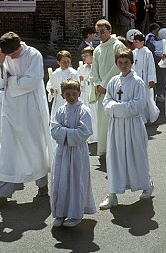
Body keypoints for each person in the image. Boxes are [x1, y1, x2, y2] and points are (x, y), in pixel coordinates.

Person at [0, 32, 52, 207]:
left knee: (34, 145)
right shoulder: (5, 56)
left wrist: (10, 83)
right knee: (8, 149)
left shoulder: (33, 55)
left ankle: (42, 185)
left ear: (19, 45)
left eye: (13, 54)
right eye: (8, 55)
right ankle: (1, 193)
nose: (11, 57)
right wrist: (0, 63)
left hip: (30, 108)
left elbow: (32, 81)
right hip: (10, 109)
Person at [99, 49, 154, 210]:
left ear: (132, 63)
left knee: (136, 155)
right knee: (115, 157)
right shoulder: (113, 81)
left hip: (132, 125)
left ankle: (146, 184)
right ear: (116, 63)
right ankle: (112, 194)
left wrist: (116, 108)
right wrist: (118, 108)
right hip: (116, 126)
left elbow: (137, 105)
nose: (123, 66)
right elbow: (106, 102)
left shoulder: (137, 81)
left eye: (126, 63)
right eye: (120, 63)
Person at [50, 79, 96, 228]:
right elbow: (54, 130)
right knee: (60, 181)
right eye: (67, 94)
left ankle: (76, 214)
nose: (71, 97)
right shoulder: (60, 111)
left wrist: (64, 133)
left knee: (76, 181)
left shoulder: (84, 110)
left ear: (79, 93)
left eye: (74, 94)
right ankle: (60, 213)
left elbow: (85, 132)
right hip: (62, 152)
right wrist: (68, 133)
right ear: (62, 95)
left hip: (77, 152)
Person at [89, 20, 126, 164]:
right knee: (102, 121)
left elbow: (118, 66)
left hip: (115, 89)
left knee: (113, 121)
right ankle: (103, 151)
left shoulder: (118, 45)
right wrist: (98, 84)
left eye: (102, 31)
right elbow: (94, 71)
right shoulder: (98, 49)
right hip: (102, 92)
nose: (100, 35)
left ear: (109, 31)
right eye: (97, 32)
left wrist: (104, 84)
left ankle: (115, 151)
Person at [132, 32, 160, 124]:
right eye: (134, 41)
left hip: (145, 79)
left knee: (147, 98)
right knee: (138, 98)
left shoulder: (147, 52)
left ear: (142, 42)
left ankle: (152, 116)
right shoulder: (133, 53)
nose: (135, 43)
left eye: (136, 41)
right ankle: (141, 118)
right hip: (136, 78)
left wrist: (151, 80)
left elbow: (151, 67)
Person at [46, 50, 79, 120]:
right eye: (64, 62)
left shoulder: (74, 73)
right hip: (59, 102)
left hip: (71, 101)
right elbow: (50, 86)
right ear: (58, 62)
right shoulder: (55, 74)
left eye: (68, 61)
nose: (66, 64)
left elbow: (78, 87)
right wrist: (52, 91)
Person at [78, 47, 98, 143]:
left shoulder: (97, 66)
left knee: (95, 114)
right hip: (85, 94)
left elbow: (97, 79)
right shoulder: (81, 68)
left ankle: (96, 135)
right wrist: (80, 80)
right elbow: (78, 82)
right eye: (83, 56)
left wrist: (87, 79)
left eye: (86, 56)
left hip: (94, 94)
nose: (84, 58)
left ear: (92, 56)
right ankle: (87, 135)